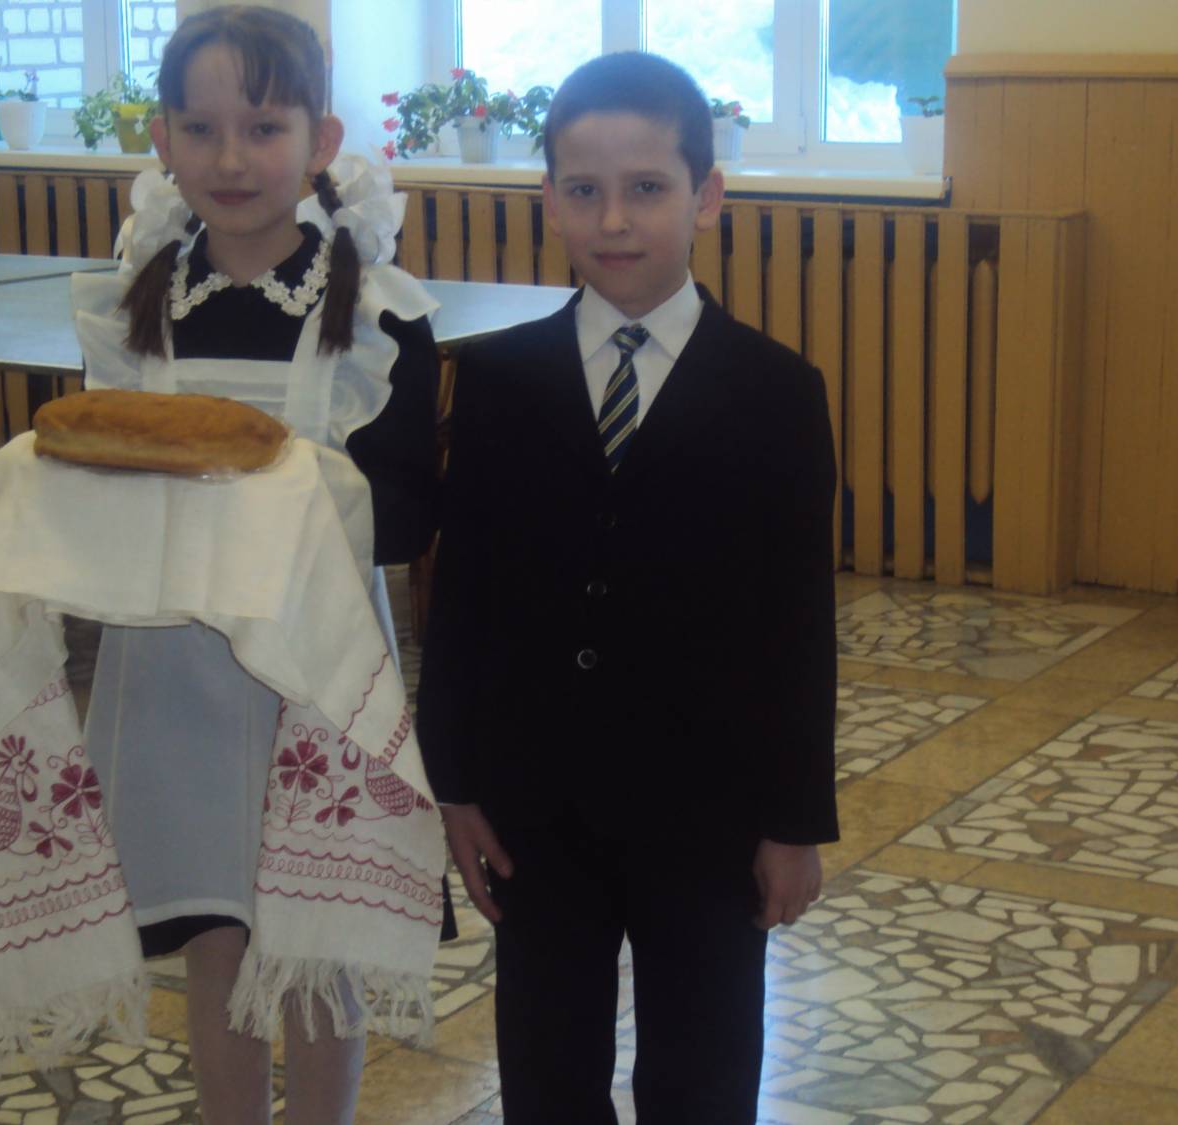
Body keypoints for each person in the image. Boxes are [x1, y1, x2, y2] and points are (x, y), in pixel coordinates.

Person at [417, 50, 839, 1125]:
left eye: (647, 187)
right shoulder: (501, 380)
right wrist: (455, 784)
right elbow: (462, 598)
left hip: (710, 807)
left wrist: (794, 821)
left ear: (705, 195)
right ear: (549, 199)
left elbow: (798, 624)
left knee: (703, 1069)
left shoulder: (778, 392)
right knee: (546, 1064)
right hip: (538, 802)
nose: (614, 219)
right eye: (585, 189)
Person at [70, 7, 443, 1123]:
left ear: (320, 141)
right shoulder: (130, 305)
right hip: (171, 672)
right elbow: (94, 480)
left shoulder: (377, 313)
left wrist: (270, 501)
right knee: (215, 935)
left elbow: (404, 516)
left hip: (315, 671)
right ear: (162, 140)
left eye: (264, 127)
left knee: (316, 938)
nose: (231, 158)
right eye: (200, 128)